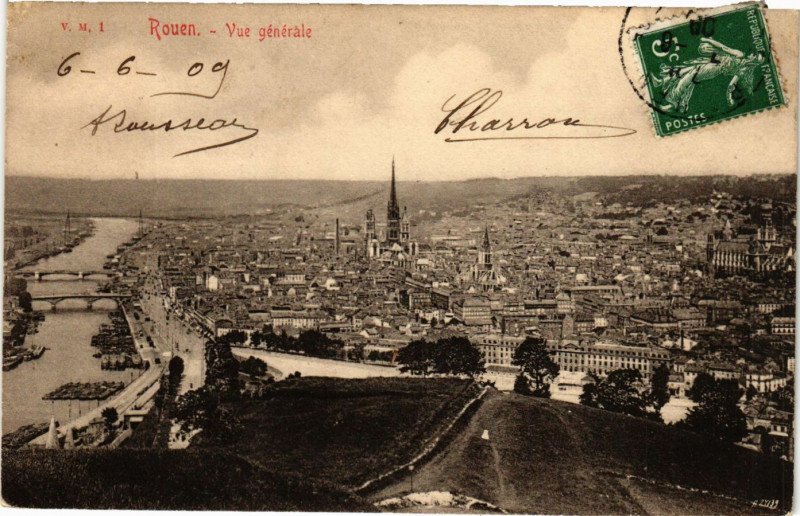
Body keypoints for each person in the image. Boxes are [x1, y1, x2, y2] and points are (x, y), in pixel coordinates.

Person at [651, 37, 764, 113]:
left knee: (691, 75)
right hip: (713, 60)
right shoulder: (741, 56)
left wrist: (730, 98)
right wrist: (709, 41)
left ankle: (673, 101)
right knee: (688, 70)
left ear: (754, 62)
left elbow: (731, 85)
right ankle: (663, 82)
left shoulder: (743, 67)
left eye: (755, 57)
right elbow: (723, 47)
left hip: (715, 68)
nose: (752, 55)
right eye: (754, 54)